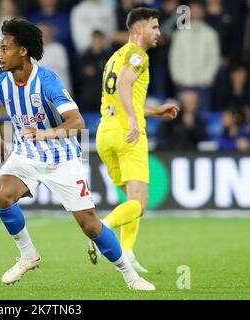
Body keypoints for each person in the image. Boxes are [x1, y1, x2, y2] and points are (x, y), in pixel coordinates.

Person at [0, 18, 155, 291]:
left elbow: (77, 123)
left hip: (62, 159)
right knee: (1, 194)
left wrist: (43, 134)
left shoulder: (47, 81)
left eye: (5, 49)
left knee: (90, 225)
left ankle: (130, 275)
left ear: (23, 51)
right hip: (27, 155)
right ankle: (28, 255)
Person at [87, 8, 179, 273]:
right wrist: (134, 120)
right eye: (154, 27)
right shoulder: (138, 55)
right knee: (139, 204)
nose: (159, 33)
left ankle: (126, 253)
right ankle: (100, 229)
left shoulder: (114, 57)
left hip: (106, 133)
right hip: (128, 134)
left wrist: (153, 111)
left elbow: (118, 95)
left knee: (131, 201)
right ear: (138, 30)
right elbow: (126, 84)